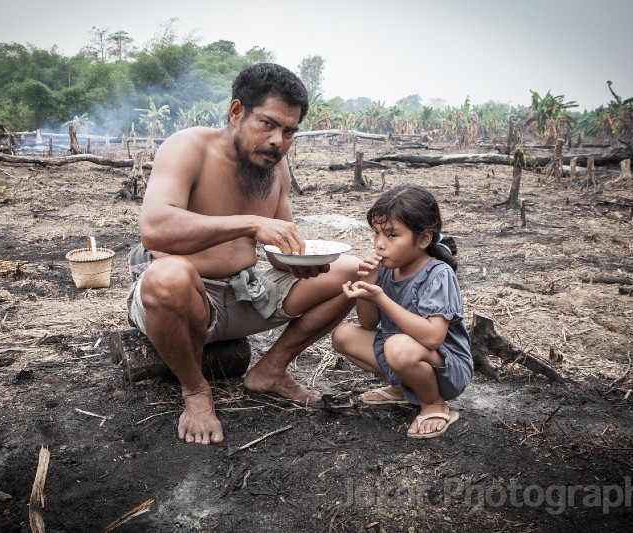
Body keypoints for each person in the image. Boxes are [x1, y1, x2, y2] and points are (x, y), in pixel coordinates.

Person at [126, 63, 359, 445]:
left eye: (289, 131)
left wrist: (300, 262)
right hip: (186, 299)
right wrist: (249, 223)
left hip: (248, 292)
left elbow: (277, 253)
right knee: (168, 276)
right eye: (268, 124)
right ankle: (196, 391)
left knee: (356, 271)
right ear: (237, 112)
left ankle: (270, 371)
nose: (278, 141)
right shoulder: (187, 147)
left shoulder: (275, 167)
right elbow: (155, 229)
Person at [331, 185, 473, 439]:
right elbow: (367, 324)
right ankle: (405, 388)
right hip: (401, 354)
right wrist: (368, 287)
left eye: (392, 235)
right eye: (376, 233)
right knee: (343, 334)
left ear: (424, 239)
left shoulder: (438, 274)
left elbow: (433, 338)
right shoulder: (386, 270)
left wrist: (382, 299)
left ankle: (434, 403)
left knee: (398, 347)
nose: (379, 244)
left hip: (446, 368)